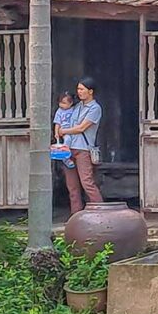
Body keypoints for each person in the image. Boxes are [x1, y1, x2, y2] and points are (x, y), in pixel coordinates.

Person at [57, 77, 103, 213]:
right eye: (78, 89)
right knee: (72, 186)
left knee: (87, 183)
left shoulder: (95, 108)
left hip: (83, 149)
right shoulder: (76, 107)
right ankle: (75, 216)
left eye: (82, 89)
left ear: (91, 91)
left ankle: (101, 212)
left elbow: (81, 128)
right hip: (68, 149)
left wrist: (63, 131)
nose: (79, 92)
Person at [52, 91, 76, 169]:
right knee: (67, 140)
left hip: (74, 130)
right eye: (60, 102)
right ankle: (65, 158)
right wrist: (56, 133)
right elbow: (57, 123)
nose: (61, 105)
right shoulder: (59, 111)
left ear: (71, 103)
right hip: (65, 131)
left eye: (64, 103)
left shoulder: (74, 109)